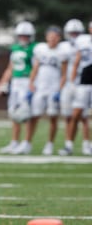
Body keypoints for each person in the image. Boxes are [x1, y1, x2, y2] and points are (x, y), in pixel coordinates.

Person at [13, 26, 67, 155]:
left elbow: (64, 74)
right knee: (33, 116)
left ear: (59, 38)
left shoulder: (62, 52)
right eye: (50, 36)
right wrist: (31, 83)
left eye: (55, 36)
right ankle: (27, 143)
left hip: (53, 88)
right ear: (46, 37)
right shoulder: (41, 49)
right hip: (40, 88)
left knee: (53, 117)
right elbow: (35, 68)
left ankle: (50, 144)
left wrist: (59, 89)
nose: (52, 39)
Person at [0, 21, 36, 154]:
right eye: (21, 35)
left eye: (26, 35)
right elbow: (10, 67)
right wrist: (2, 82)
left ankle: (27, 143)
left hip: (27, 81)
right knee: (14, 113)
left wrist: (33, 83)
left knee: (26, 113)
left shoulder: (34, 49)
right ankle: (14, 142)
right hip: (15, 82)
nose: (23, 38)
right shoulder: (15, 48)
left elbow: (36, 68)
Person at [59, 20, 92, 155]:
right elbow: (77, 60)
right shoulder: (82, 41)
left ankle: (87, 145)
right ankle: (69, 145)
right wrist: (71, 80)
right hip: (84, 81)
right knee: (76, 114)